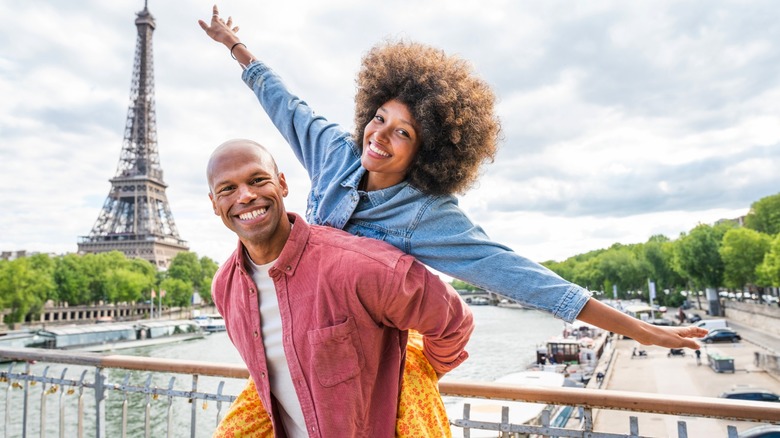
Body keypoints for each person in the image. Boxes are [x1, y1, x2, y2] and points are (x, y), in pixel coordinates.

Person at [198, 5, 709, 435]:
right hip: (315, 336)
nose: (379, 136)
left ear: (428, 153)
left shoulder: (429, 215)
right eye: (379, 118)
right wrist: (235, 49)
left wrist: (640, 331)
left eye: (403, 133)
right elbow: (285, 105)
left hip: (384, 352)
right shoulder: (335, 153)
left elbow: (525, 279)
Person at [207, 139, 474, 437]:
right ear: (214, 204)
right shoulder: (225, 288)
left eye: (258, 180)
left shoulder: (358, 265)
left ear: (282, 184)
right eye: (227, 189)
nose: (245, 195)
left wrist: (417, 377)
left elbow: (453, 321)